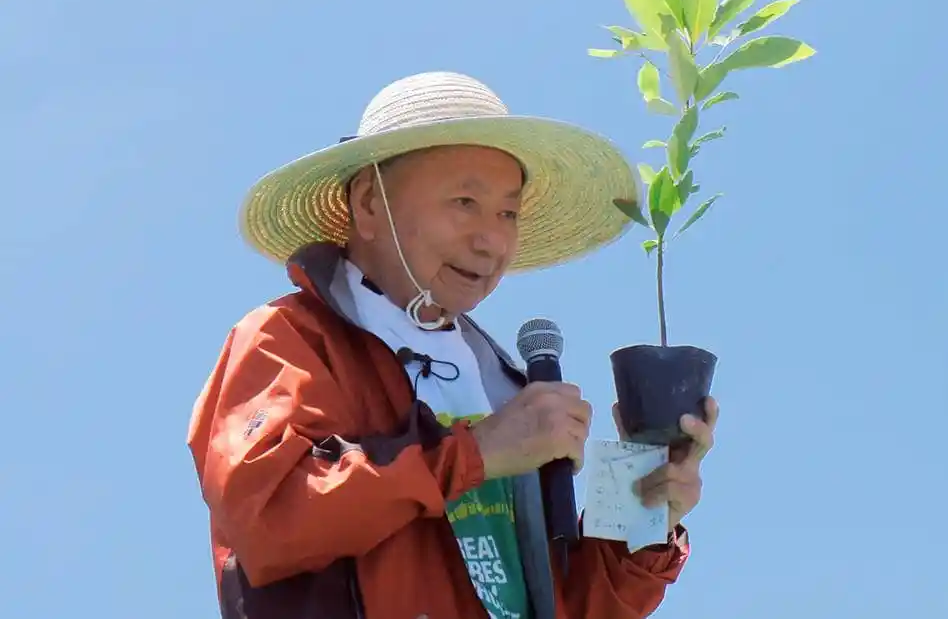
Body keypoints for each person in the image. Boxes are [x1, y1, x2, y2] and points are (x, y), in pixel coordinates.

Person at [187, 71, 719, 619]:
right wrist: (478, 453)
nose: (491, 239)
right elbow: (272, 519)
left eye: (508, 212)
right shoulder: (289, 340)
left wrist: (643, 502)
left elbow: (573, 606)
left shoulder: (503, 384)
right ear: (370, 204)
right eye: (465, 201)